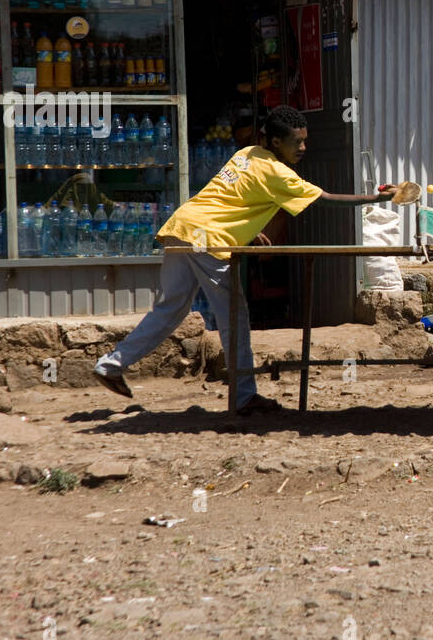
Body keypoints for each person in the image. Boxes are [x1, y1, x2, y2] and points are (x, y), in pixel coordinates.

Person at [94, 105, 393, 413]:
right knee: (234, 317)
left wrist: (246, 233)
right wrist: (379, 198)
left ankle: (111, 364)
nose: (303, 148)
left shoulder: (246, 154)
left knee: (170, 308)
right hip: (208, 240)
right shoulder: (278, 173)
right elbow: (327, 200)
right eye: (296, 141)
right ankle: (244, 396)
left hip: (182, 227)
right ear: (276, 142)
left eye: (305, 140)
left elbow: (230, 200)